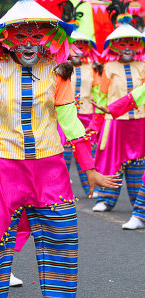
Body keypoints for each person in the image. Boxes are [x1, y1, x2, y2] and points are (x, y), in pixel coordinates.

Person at [0, 1, 121, 297]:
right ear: (5, 37)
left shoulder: (60, 70)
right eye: (20, 36)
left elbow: (70, 121)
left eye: (36, 36)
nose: (28, 44)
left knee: (61, 239)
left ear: (48, 37)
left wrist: (89, 168)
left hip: (50, 169)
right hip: (1, 169)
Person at [90, 1, 145, 213]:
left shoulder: (143, 66)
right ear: (114, 45)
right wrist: (95, 124)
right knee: (112, 160)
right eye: (122, 44)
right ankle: (106, 199)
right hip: (115, 122)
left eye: (131, 43)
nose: (127, 49)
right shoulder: (109, 67)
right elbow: (101, 97)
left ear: (138, 45)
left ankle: (138, 205)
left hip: (140, 122)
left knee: (138, 164)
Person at [59, 0, 101, 198]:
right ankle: (61, 193)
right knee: (62, 158)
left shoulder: (95, 69)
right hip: (63, 117)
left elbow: (100, 95)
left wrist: (96, 121)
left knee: (86, 155)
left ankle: (91, 192)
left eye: (82, 45)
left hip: (86, 117)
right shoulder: (58, 68)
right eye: (74, 44)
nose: (78, 49)